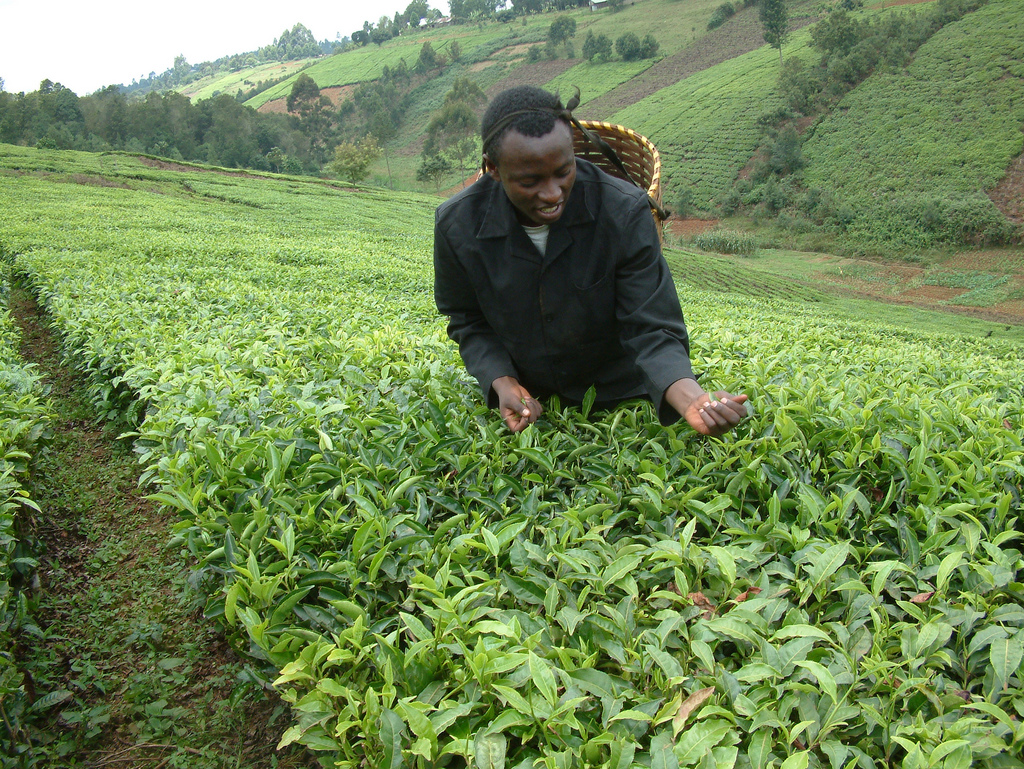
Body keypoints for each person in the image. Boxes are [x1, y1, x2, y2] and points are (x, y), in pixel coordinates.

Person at [433, 85, 747, 436]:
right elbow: (467, 318)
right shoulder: (457, 224)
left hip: (619, 389)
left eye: (564, 172)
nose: (552, 193)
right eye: (530, 181)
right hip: (530, 386)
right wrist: (502, 381)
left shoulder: (623, 211)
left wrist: (690, 397)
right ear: (493, 168)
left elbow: (650, 323)